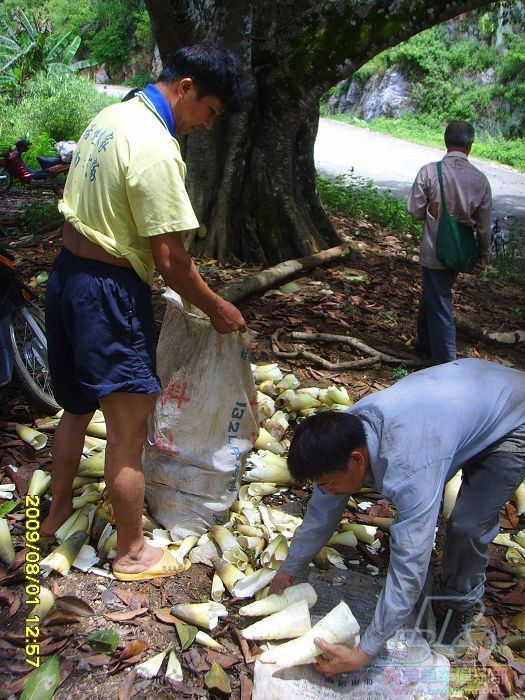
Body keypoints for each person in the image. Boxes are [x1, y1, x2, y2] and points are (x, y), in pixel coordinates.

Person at [43, 45, 246, 581]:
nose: (207, 124)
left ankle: (56, 510)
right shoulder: (156, 147)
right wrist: (215, 306)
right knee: (128, 432)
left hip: (66, 277)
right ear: (185, 87)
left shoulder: (113, 116)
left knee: (76, 407)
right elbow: (171, 259)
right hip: (107, 292)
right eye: (210, 111)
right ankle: (131, 551)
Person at [269, 359, 525, 677]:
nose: (328, 492)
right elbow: (321, 513)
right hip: (467, 400)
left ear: (357, 460)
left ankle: (460, 603)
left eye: (329, 484)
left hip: (514, 416)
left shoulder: (410, 468)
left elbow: (411, 565)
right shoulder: (344, 434)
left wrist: (364, 652)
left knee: (467, 526)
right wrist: (288, 572)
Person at [407, 121, 492, 364]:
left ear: (446, 142)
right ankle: (424, 342)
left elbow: (414, 211)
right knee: (434, 294)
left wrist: (433, 210)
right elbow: (484, 224)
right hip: (460, 252)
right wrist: (483, 254)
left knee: (439, 302)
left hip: (435, 250)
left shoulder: (429, 172)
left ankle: (446, 362)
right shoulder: (480, 179)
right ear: (469, 145)